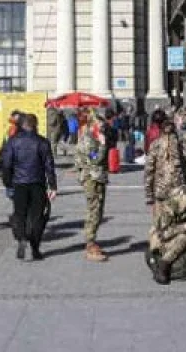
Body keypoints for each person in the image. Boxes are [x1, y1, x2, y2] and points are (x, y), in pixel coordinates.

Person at [0, 113, 57, 261]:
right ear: (35, 125)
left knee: (20, 214)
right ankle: (35, 248)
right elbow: (49, 165)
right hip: (37, 183)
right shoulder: (42, 142)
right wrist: (53, 185)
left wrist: (7, 181)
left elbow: (6, 163)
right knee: (37, 217)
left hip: (19, 183)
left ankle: (22, 238)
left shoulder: (13, 141)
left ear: (22, 125)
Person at [75, 108, 110, 262]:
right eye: (100, 127)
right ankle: (90, 243)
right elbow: (94, 160)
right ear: (92, 126)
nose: (102, 130)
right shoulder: (88, 140)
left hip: (98, 178)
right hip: (92, 179)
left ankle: (92, 240)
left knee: (98, 210)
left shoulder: (92, 137)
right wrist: (102, 145)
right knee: (94, 210)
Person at [144, 111, 186, 220]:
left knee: (159, 221)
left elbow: (149, 170)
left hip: (160, 187)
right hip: (178, 188)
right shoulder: (181, 144)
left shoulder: (154, 142)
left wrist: (148, 193)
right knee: (177, 220)